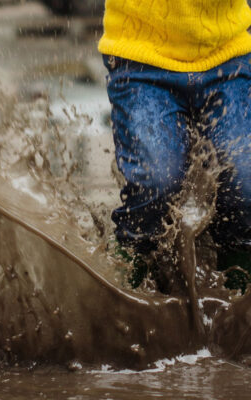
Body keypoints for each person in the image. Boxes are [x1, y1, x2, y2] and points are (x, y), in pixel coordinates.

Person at [99, 0, 251, 271]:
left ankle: (238, 282)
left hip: (226, 50)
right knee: (156, 182)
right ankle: (130, 275)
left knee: (245, 181)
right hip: (140, 55)